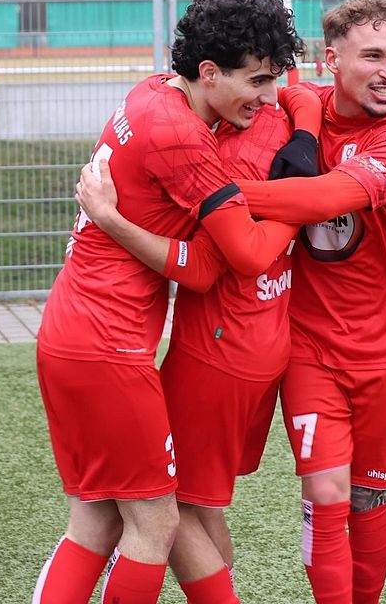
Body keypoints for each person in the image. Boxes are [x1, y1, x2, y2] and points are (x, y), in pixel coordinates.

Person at [78, 0, 386, 604]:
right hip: (306, 344)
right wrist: (297, 134)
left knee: (369, 497)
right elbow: (290, 94)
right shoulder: (297, 101)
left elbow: (324, 201)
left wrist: (216, 194)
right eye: (372, 55)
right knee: (324, 495)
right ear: (330, 61)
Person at [31, 0, 304, 604]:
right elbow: (223, 265)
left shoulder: (153, 88)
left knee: (98, 519)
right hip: (107, 350)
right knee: (155, 522)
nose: (267, 99)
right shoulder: (183, 138)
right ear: (208, 73)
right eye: (257, 81)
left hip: (71, 334)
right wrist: (304, 200)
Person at [75, 89, 319, 604]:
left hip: (218, 352)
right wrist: (307, 139)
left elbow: (225, 261)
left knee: (167, 506)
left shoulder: (217, 148)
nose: (266, 92)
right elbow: (302, 93)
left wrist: (112, 220)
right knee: (198, 503)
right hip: (259, 341)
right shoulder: (278, 118)